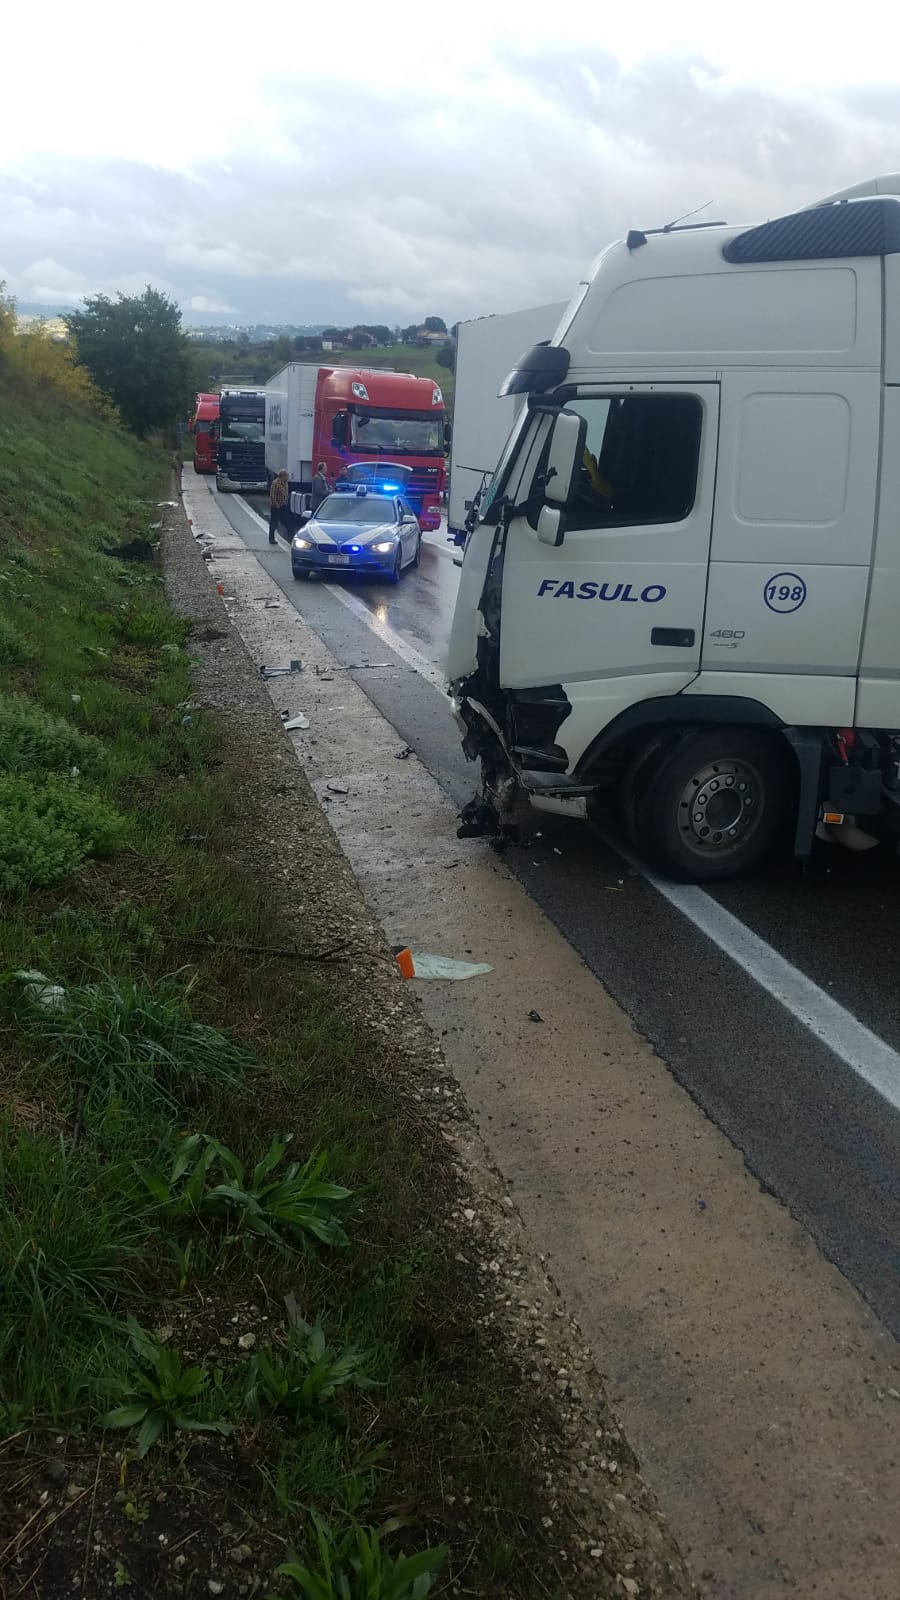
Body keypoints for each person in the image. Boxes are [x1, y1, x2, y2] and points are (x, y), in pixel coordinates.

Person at [268, 469, 290, 544]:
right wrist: (276, 505)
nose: (288, 477)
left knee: (287, 522)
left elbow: (286, 493)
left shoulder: (286, 483)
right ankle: (271, 538)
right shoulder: (275, 483)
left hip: (284, 506)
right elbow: (272, 495)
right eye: (287, 476)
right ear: (283, 476)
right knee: (274, 523)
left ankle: (291, 537)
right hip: (276, 507)